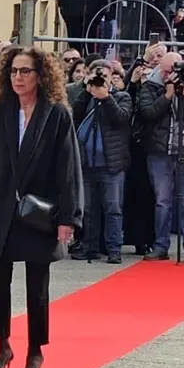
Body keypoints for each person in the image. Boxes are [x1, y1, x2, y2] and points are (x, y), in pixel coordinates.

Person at [0, 46, 82, 368]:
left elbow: (69, 169)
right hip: (1, 207)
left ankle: (35, 350)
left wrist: (69, 218)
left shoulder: (56, 113)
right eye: (13, 71)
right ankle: (3, 345)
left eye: (25, 71)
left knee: (37, 285)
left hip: (39, 211)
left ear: (41, 75)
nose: (18, 78)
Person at [135, 52, 184, 263]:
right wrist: (167, 96)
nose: (170, 75)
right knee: (162, 202)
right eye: (166, 71)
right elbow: (147, 114)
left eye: (173, 70)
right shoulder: (151, 86)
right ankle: (160, 246)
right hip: (160, 152)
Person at [72, 59, 131, 264]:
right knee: (88, 209)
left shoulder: (122, 97)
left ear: (111, 77)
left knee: (112, 208)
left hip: (111, 164)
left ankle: (114, 249)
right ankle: (90, 246)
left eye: (104, 76)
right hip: (87, 164)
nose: (100, 80)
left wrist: (106, 98)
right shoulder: (86, 97)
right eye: (96, 75)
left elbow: (121, 119)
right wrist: (86, 91)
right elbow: (73, 115)